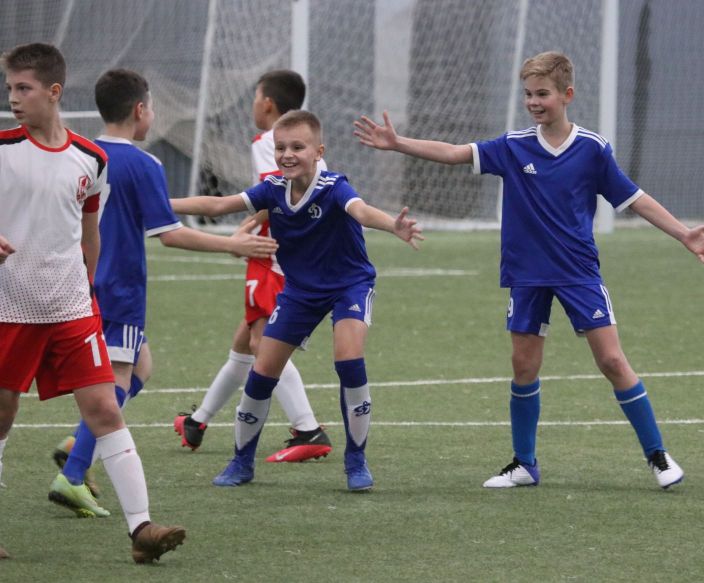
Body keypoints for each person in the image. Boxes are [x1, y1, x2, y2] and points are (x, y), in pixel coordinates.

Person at [353, 51, 704, 490]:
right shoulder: (513, 146)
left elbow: (635, 198)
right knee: (524, 365)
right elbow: (455, 153)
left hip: (578, 272)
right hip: (526, 274)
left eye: (543, 94)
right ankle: (524, 464)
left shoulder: (592, 149)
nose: (534, 102)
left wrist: (683, 234)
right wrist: (399, 143)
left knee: (611, 360)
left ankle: (658, 455)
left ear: (567, 94)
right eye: (528, 94)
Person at [47, 68, 277, 518]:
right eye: (151, 107)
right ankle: (73, 474)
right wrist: (232, 244)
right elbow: (170, 234)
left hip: (79, 282)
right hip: (118, 289)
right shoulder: (144, 164)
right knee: (115, 381)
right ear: (140, 110)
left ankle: (79, 442)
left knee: (141, 366)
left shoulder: (79, 153)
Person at [0, 43, 185, 563]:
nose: (13, 98)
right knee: (2, 414)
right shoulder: (2, 148)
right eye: (10, 88)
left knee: (105, 407)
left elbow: (90, 234)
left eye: (23, 88)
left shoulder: (91, 159)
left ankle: (142, 529)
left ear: (54, 91)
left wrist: (84, 284)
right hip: (9, 308)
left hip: (72, 309)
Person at [172, 109, 423, 490]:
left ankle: (356, 461)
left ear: (319, 151)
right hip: (300, 291)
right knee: (262, 373)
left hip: (349, 286)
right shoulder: (271, 189)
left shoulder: (335, 186)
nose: (287, 155)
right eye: (281, 148)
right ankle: (241, 462)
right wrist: (161, 202)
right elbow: (218, 205)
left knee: (349, 360)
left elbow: (360, 210)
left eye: (298, 147)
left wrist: (393, 225)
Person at [174, 70, 332, 463]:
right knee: (245, 342)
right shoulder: (309, 148)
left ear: (267, 104)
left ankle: (307, 428)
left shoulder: (271, 142)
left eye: (255, 98)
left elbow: (276, 192)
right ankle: (197, 420)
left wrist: (244, 231)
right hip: (292, 253)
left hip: (272, 256)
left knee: (265, 343)